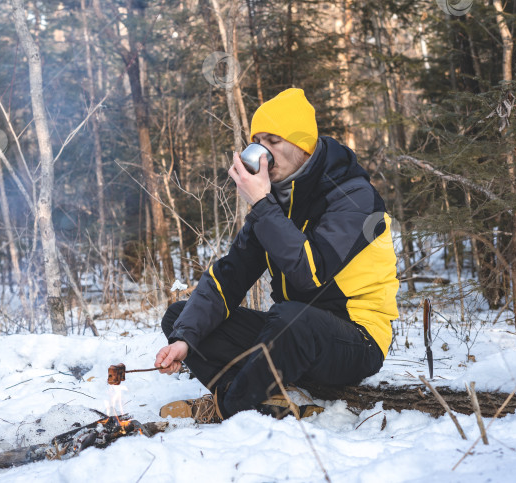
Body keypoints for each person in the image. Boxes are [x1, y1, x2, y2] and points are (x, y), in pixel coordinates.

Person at [155, 88, 399, 423]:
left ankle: (228, 408)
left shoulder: (355, 197)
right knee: (181, 318)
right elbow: (229, 278)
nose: (262, 153)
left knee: (291, 319)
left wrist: (262, 205)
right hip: (291, 337)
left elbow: (310, 273)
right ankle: (264, 399)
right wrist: (184, 340)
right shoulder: (274, 202)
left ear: (304, 145)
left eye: (274, 140)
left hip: (356, 339)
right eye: (257, 141)